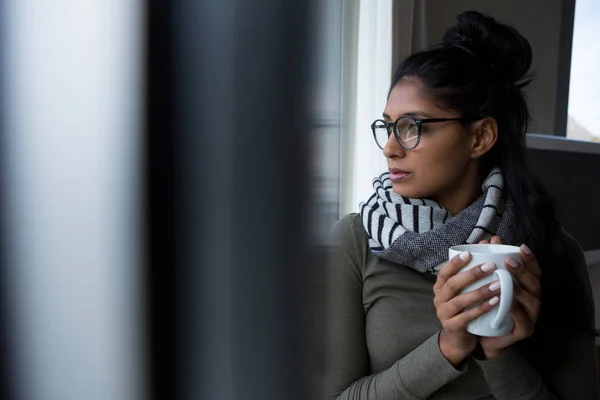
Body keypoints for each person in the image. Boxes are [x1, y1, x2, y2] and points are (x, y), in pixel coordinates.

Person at [322, 11, 598, 400]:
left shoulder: (552, 251)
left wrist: (499, 352)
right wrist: (448, 347)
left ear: (480, 137)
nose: (390, 148)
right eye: (388, 126)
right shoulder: (355, 240)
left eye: (412, 128)